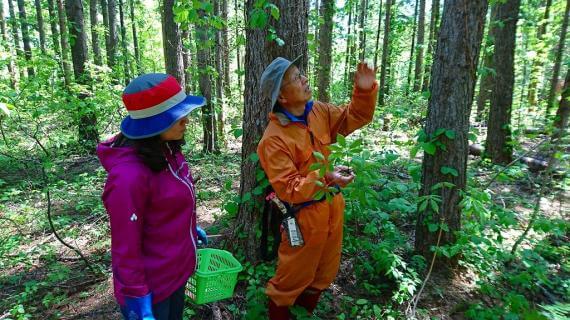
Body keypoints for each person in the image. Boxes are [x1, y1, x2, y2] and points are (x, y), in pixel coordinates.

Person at [257, 57, 378, 319]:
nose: (304, 79)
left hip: (333, 207)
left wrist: (365, 89)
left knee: (323, 274)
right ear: (283, 97)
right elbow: (288, 187)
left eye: (301, 74)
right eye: (295, 79)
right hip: (302, 219)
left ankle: (304, 314)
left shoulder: (319, 111)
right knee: (289, 281)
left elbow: (353, 117)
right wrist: (327, 178)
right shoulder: (273, 139)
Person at [97, 73, 209, 320]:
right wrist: (137, 299)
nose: (186, 121)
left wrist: (188, 227)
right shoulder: (128, 178)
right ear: (153, 123)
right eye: (178, 116)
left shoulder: (167, 149)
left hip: (176, 273)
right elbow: (125, 248)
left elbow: (165, 205)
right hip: (152, 288)